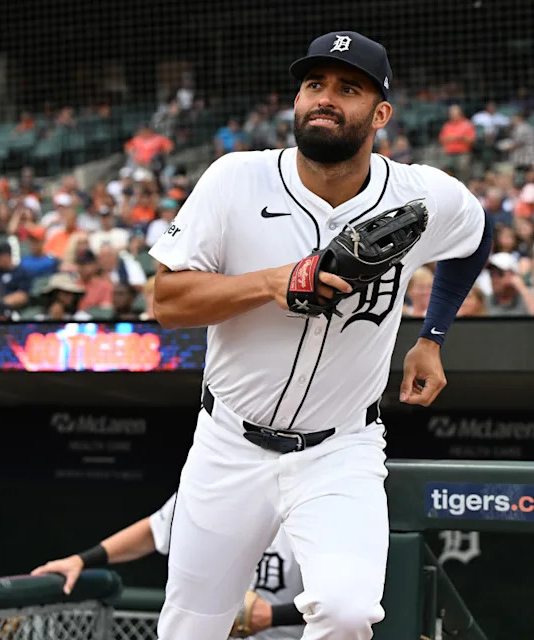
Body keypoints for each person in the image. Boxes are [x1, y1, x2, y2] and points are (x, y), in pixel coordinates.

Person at [144, 31, 490, 640]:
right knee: (190, 629)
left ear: (380, 113)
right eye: (314, 85)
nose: (324, 99)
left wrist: (432, 336)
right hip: (229, 444)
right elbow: (167, 302)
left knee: (347, 612)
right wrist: (272, 283)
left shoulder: (419, 192)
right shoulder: (235, 179)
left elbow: (475, 233)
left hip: (340, 450)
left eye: (347, 88)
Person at [32, 493, 307, 639]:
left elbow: (345, 598)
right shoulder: (221, 486)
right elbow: (154, 531)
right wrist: (82, 560)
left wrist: (274, 615)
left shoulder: (311, 504)